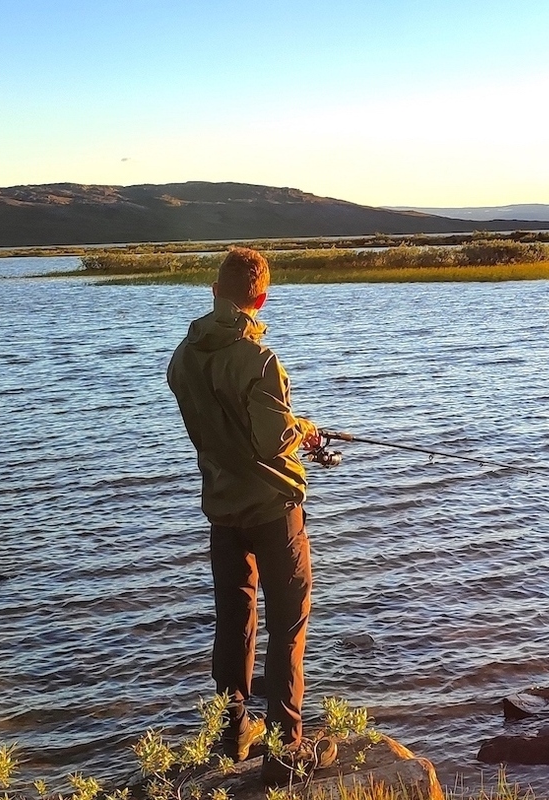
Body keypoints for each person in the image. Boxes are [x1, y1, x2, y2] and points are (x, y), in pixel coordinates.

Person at [166, 246, 331, 785]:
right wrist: (301, 429)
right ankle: (285, 750)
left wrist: (285, 422)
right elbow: (269, 440)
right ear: (261, 298)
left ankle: (231, 732)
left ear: (216, 291)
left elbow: (221, 424)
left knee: (234, 619)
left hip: (221, 507)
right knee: (288, 622)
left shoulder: (183, 357)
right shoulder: (260, 360)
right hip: (273, 509)